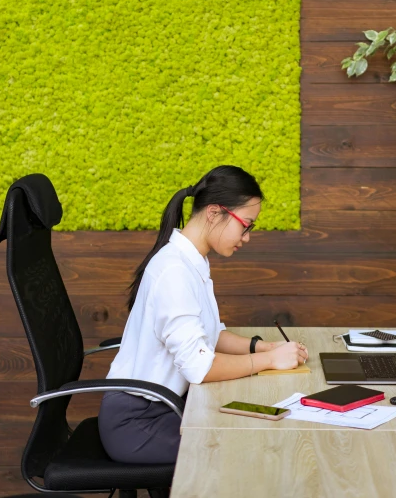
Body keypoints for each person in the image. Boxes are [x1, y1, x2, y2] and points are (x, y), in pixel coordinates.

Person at [98, 164, 308, 468]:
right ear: (213, 213)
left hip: (166, 407)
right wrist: (271, 361)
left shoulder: (191, 260)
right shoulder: (174, 271)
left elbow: (211, 334)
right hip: (137, 422)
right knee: (250, 449)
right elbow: (199, 367)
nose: (247, 237)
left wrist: (262, 348)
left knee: (258, 431)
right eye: (245, 224)